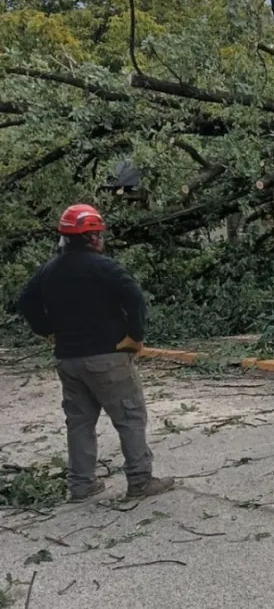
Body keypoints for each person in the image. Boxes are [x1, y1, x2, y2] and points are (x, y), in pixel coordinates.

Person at [17, 204, 175, 502]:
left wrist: (46, 329)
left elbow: (26, 301)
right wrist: (135, 336)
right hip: (108, 356)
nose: (101, 239)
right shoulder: (104, 266)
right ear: (90, 237)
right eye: (98, 234)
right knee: (129, 416)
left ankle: (81, 485)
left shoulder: (48, 270)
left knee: (79, 422)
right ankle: (140, 480)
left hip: (68, 359)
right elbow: (135, 297)